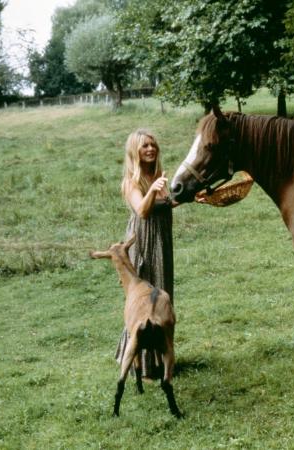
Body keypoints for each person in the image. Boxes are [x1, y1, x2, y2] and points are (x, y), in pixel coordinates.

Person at [115, 128, 177, 379]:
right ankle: (138, 363)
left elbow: (167, 204)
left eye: (153, 144)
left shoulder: (159, 177)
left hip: (162, 243)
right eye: (144, 146)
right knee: (143, 304)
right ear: (135, 152)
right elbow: (142, 211)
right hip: (144, 243)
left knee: (162, 298)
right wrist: (153, 190)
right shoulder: (131, 182)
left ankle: (161, 363)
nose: (150, 149)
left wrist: (196, 197)